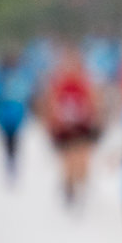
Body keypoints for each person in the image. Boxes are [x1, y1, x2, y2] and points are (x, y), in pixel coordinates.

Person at [40, 46, 102, 208]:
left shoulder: (85, 82)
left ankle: (80, 183)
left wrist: (94, 120)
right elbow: (50, 105)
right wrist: (52, 124)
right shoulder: (58, 84)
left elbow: (93, 103)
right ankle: (69, 186)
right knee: (68, 160)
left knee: (82, 159)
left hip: (82, 127)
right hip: (64, 129)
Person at [0, 47, 37, 184]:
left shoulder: (22, 73)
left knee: (14, 141)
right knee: (7, 141)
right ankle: (10, 162)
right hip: (4, 114)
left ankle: (12, 162)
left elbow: (30, 91)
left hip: (17, 114)